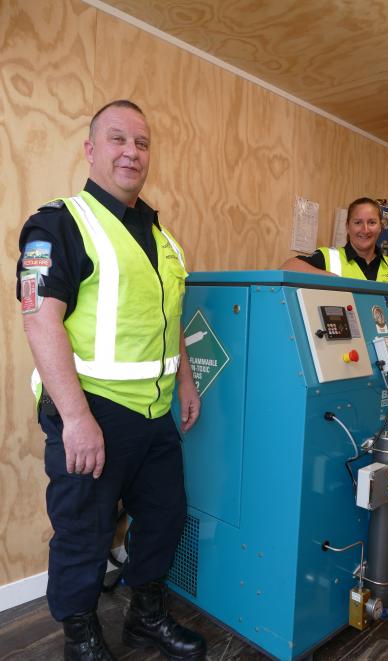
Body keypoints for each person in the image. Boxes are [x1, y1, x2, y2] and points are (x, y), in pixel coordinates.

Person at [16, 100, 206, 661]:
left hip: (154, 413)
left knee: (165, 517)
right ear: (91, 150)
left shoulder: (162, 236)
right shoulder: (57, 223)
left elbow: (168, 319)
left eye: (142, 143)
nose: (131, 152)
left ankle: (145, 618)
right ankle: (81, 638)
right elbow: (38, 315)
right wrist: (75, 418)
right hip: (91, 409)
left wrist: (187, 383)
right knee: (84, 531)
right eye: (118, 139)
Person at [281, 197, 388, 335]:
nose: (365, 229)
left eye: (372, 222)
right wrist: (333, 279)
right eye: (358, 222)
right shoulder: (329, 258)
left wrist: (374, 316)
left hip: (386, 352)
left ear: (380, 226)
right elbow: (288, 267)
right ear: (347, 226)